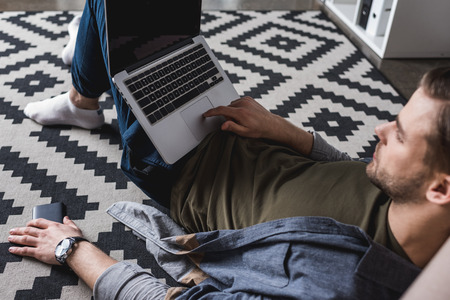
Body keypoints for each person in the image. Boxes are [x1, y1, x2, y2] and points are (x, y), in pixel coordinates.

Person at [7, 0, 450, 298]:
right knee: (148, 17)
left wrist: (72, 249)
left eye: (400, 134)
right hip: (245, 134)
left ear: (441, 189)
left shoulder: (331, 283)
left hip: (183, 168)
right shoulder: (409, 194)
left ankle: (84, 90)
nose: (378, 129)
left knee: (119, 9)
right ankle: (91, 55)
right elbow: (352, 174)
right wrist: (285, 131)